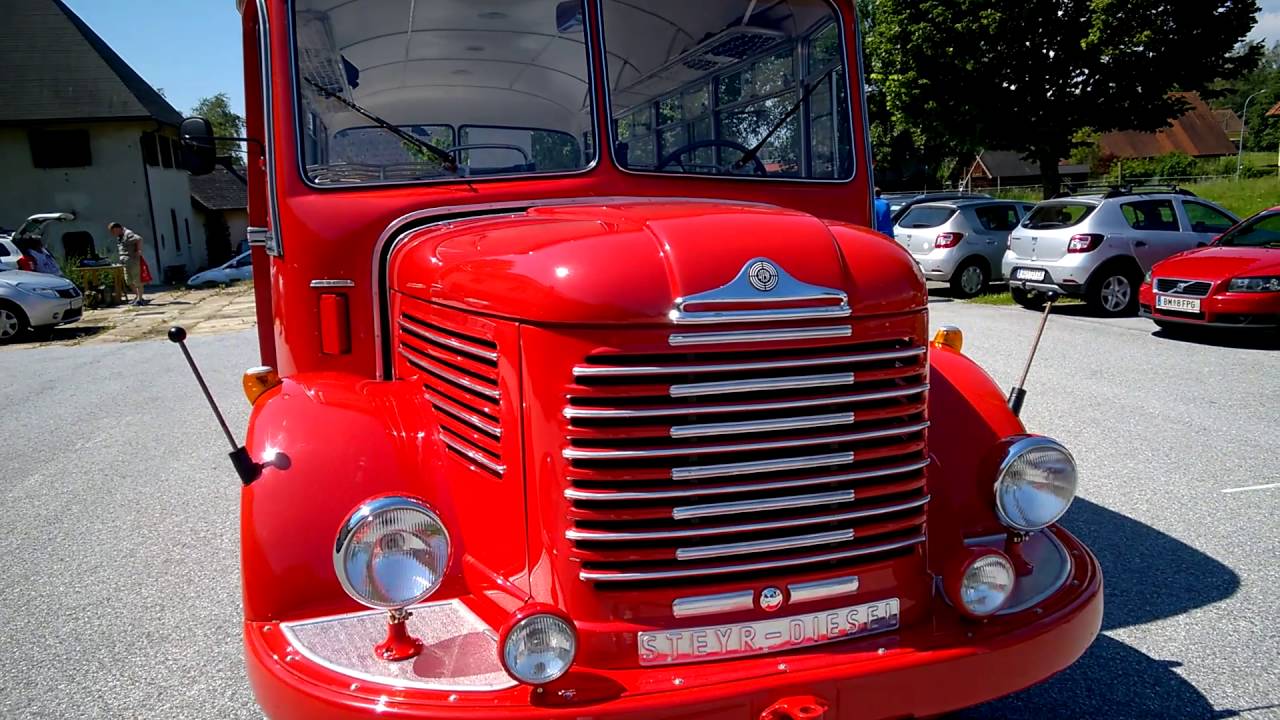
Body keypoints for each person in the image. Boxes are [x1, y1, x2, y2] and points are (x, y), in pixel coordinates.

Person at [109, 222, 146, 305]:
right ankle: (137, 296)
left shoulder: (128, 234)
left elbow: (139, 239)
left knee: (137, 280)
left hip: (133, 260)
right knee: (128, 281)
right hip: (125, 262)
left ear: (117, 228)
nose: (113, 233)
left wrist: (139, 250)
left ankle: (140, 300)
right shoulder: (120, 236)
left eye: (113, 231)